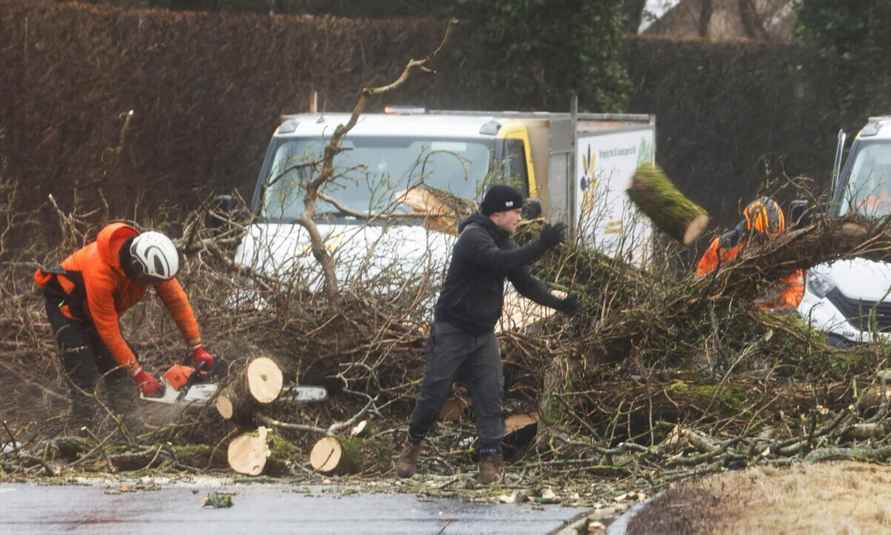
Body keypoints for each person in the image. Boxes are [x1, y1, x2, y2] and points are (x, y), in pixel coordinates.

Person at [396, 185, 580, 484]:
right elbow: (499, 262)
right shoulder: (473, 238)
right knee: (435, 393)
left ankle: (489, 461)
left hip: (483, 333)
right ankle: (411, 448)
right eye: (516, 212)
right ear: (497, 213)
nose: (520, 217)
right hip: (453, 329)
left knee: (490, 396)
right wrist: (540, 246)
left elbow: (526, 284)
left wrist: (561, 304)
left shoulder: (502, 241)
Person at [34, 222, 215, 428]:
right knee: (84, 373)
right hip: (66, 305)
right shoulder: (100, 273)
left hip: (96, 309)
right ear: (136, 267)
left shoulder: (154, 264)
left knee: (120, 370)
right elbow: (108, 331)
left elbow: (177, 302)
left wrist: (197, 347)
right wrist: (139, 375)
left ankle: (130, 429)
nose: (150, 285)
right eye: (148, 280)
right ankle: (80, 435)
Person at [696, 196, 804, 311]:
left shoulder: (782, 252)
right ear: (750, 228)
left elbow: (795, 287)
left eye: (772, 240)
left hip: (761, 313)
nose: (767, 244)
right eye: (762, 239)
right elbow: (701, 274)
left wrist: (781, 307)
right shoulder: (725, 245)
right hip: (722, 304)